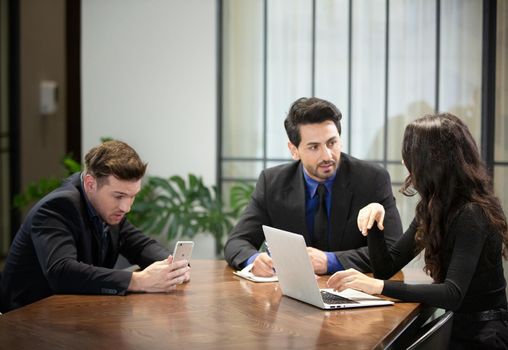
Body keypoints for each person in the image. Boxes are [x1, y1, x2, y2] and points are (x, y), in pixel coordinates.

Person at [327, 113, 508, 349]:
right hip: (457, 326)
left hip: (485, 335)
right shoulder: (435, 205)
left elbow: (453, 293)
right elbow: (385, 267)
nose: (404, 162)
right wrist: (374, 220)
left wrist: (377, 287)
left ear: (430, 161)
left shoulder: (472, 213)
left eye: (409, 155)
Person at [0, 140, 190, 312]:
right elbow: (61, 271)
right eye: (119, 196)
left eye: (133, 196)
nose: (127, 207)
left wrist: (172, 266)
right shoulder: (57, 208)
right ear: (91, 184)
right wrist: (137, 281)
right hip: (25, 320)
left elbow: (140, 245)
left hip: (70, 314)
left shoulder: (109, 209)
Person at [224, 97, 403, 277]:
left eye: (332, 143)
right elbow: (237, 242)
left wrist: (331, 261)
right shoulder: (272, 183)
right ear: (294, 150)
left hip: (357, 292)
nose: (327, 155)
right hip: (292, 295)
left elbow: (392, 249)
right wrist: (254, 260)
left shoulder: (372, 179)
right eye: (314, 147)